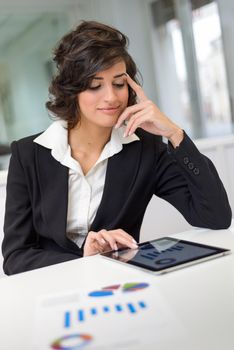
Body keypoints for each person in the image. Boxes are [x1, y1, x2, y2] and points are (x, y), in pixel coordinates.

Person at [2, 21, 232, 275]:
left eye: (119, 83)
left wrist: (174, 133)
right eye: (94, 85)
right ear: (71, 91)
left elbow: (216, 216)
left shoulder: (146, 150)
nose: (111, 97)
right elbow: (15, 257)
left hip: (120, 285)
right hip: (53, 291)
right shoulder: (28, 155)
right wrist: (82, 259)